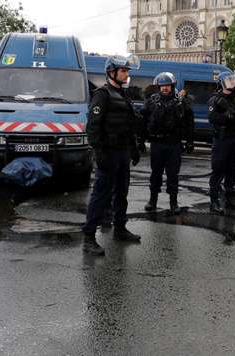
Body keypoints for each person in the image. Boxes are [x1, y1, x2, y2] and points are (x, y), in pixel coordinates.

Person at [82, 54, 142, 256]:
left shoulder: (124, 95)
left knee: (122, 193)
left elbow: (129, 125)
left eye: (127, 71)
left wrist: (133, 148)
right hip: (108, 152)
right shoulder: (102, 94)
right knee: (101, 195)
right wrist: (99, 152)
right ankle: (89, 237)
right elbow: (93, 127)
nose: (126, 74)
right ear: (111, 72)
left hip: (122, 151)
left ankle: (120, 228)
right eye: (123, 71)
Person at [142, 72, 194, 214]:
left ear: (172, 86)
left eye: (167, 85)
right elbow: (143, 120)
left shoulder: (181, 102)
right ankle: (153, 200)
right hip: (157, 143)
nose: (165, 88)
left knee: (173, 175)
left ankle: (173, 202)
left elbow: (189, 122)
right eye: (162, 85)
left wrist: (190, 141)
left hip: (174, 143)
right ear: (158, 86)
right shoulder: (151, 101)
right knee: (155, 174)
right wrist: (140, 141)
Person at [207, 71, 235, 214]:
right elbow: (212, 118)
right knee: (218, 171)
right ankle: (214, 202)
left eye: (232, 82)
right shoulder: (215, 99)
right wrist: (227, 117)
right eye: (229, 82)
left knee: (232, 171)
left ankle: (229, 201)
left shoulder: (233, 101)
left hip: (232, 139)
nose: (231, 85)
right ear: (222, 83)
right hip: (221, 139)